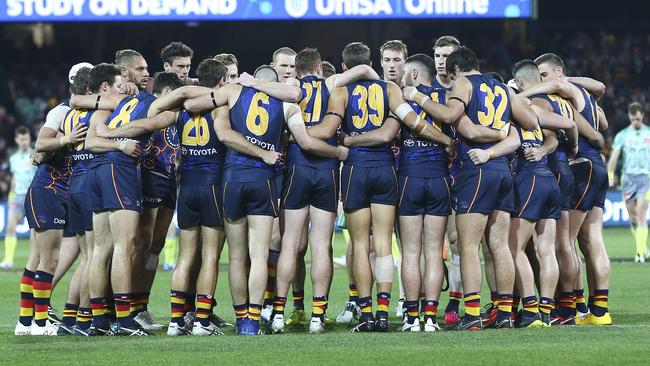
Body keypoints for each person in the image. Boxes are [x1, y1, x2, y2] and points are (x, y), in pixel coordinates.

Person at [307, 42, 452, 332]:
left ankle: (365, 313)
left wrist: (327, 138)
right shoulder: (389, 90)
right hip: (387, 169)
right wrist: (447, 141)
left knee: (360, 245)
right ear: (373, 62)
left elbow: (329, 129)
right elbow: (412, 123)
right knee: (386, 245)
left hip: (355, 169)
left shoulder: (340, 91)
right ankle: (385, 311)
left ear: (346, 68)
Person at [411, 46, 539, 330]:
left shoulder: (463, 83)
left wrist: (417, 97)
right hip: (503, 170)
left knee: (468, 247)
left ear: (456, 69)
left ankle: (471, 315)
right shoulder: (502, 88)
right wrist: (503, 128)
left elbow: (449, 115)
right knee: (499, 245)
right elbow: (531, 122)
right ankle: (505, 313)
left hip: (476, 168)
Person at [269, 47, 378, 334]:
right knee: (321, 246)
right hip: (327, 170)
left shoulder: (291, 87)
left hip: (297, 168)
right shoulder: (332, 83)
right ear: (319, 68)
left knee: (290, 244)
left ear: (297, 69)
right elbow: (366, 71)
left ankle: (279, 313)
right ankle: (318, 315)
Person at [608, 102, 650, 263]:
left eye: (638, 119)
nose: (636, 122)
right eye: (633, 120)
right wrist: (611, 177)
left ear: (643, 116)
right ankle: (643, 246)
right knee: (632, 218)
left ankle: (639, 253)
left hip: (645, 178)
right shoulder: (623, 136)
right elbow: (613, 158)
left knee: (640, 214)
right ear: (629, 118)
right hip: (628, 179)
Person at [1, 126, 37, 270]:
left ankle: (33, 261)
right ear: (16, 140)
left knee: (34, 231)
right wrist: (11, 194)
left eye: (26, 139)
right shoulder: (13, 158)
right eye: (21, 139)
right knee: (10, 227)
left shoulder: (35, 154)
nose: (24, 142)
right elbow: (14, 178)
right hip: (17, 196)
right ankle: (8, 259)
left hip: (32, 196)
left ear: (29, 139)